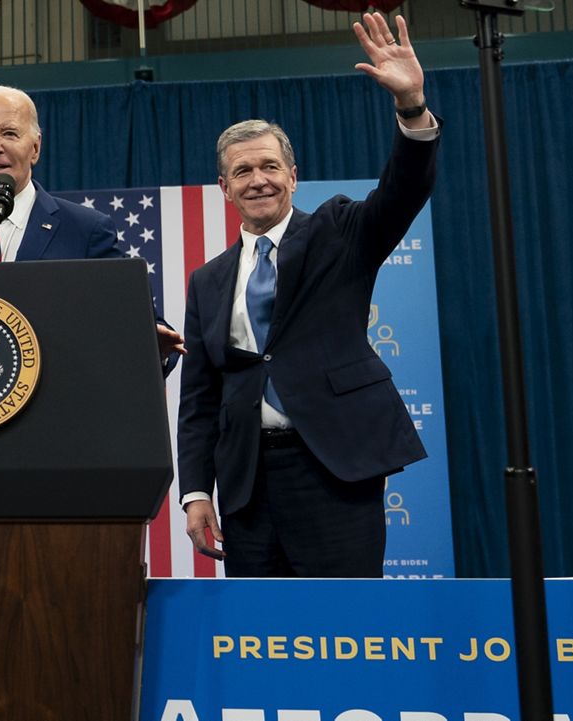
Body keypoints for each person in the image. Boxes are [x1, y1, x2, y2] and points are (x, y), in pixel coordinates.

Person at [176, 13, 439, 578]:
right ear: (224, 188)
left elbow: (404, 190)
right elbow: (199, 397)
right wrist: (196, 490)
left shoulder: (338, 231)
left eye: (270, 166)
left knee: (346, 630)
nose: (258, 180)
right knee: (262, 640)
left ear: (293, 176)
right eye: (242, 171)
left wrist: (411, 106)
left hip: (335, 470)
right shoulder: (207, 280)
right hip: (247, 485)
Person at [0, 84, 184, 362]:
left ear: (35, 147)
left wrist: (150, 347)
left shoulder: (86, 230)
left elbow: (148, 329)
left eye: (9, 133)